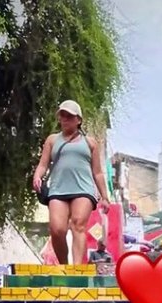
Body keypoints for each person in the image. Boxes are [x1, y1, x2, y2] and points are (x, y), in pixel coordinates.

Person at [33, 100, 112, 265]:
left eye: (69, 115)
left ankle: (77, 269)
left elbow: (97, 172)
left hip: (83, 189)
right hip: (58, 189)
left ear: (78, 120)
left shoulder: (90, 143)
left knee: (78, 225)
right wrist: (37, 176)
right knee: (57, 229)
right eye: (62, 115)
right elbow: (43, 164)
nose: (65, 118)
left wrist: (104, 196)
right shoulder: (52, 140)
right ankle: (64, 266)